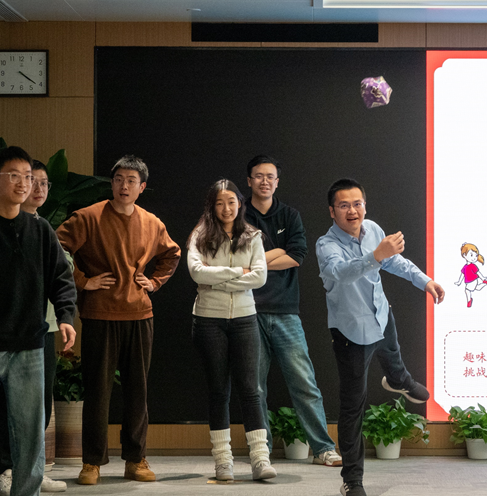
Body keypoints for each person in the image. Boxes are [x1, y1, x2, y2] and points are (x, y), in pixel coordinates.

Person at [56, 155, 181, 486]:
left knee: (138, 390)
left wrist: (153, 282)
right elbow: (56, 247)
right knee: (98, 391)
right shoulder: (88, 216)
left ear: (142, 187)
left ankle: (136, 459)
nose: (124, 186)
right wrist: (83, 280)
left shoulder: (151, 222)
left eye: (131, 181)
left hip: (140, 314)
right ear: (111, 183)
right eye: (119, 179)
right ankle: (92, 462)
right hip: (99, 313)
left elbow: (172, 253)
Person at [0, 147, 77, 496]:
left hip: (29, 347)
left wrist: (66, 316)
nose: (23, 183)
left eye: (27, 176)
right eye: (14, 175)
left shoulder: (40, 229)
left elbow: (61, 278)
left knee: (30, 434)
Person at [316, 178, 445, 496]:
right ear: (332, 211)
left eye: (357, 204)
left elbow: (394, 261)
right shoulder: (326, 245)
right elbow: (342, 273)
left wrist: (425, 281)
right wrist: (375, 256)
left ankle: (399, 380)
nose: (352, 211)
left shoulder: (372, 229)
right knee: (353, 407)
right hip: (351, 333)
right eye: (344, 205)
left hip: (380, 315)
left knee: (394, 357)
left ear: (364, 205)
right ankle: (352, 480)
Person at [243, 155, 342, 467]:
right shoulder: (238, 214)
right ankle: (261, 452)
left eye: (270, 176)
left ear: (277, 182)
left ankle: (323, 448)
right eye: (259, 176)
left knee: (304, 383)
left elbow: (297, 256)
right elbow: (235, 259)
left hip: (286, 311)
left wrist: (256, 262)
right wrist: (276, 253)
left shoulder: (289, 215)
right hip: (247, 311)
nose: (265, 181)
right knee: (254, 387)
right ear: (249, 181)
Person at [187, 179, 275, 482]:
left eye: (231, 202)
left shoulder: (252, 236)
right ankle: (223, 461)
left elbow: (260, 277)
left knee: (251, 390)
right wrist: (238, 272)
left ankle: (260, 459)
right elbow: (196, 272)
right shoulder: (200, 235)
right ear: (212, 206)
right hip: (208, 320)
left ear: (240, 203)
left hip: (245, 319)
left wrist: (217, 281)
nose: (226, 208)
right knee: (218, 391)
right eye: (220, 203)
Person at [0, 160, 67, 495]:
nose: (37, 188)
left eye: (44, 183)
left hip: (42, 329)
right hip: (3, 332)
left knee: (39, 404)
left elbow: (62, 276)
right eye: (31, 180)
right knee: (5, 403)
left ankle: (32, 470)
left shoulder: (45, 229)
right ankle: (5, 469)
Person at [454, 242, 487, 308]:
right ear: (464, 255)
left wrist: (482, 278)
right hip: (469, 281)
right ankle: (485, 283)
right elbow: (462, 274)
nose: (474, 258)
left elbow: (478, 272)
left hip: (472, 281)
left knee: (467, 290)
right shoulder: (465, 267)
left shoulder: (472, 266)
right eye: (471, 255)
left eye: (476, 256)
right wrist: (459, 282)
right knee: (477, 288)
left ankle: (469, 300)